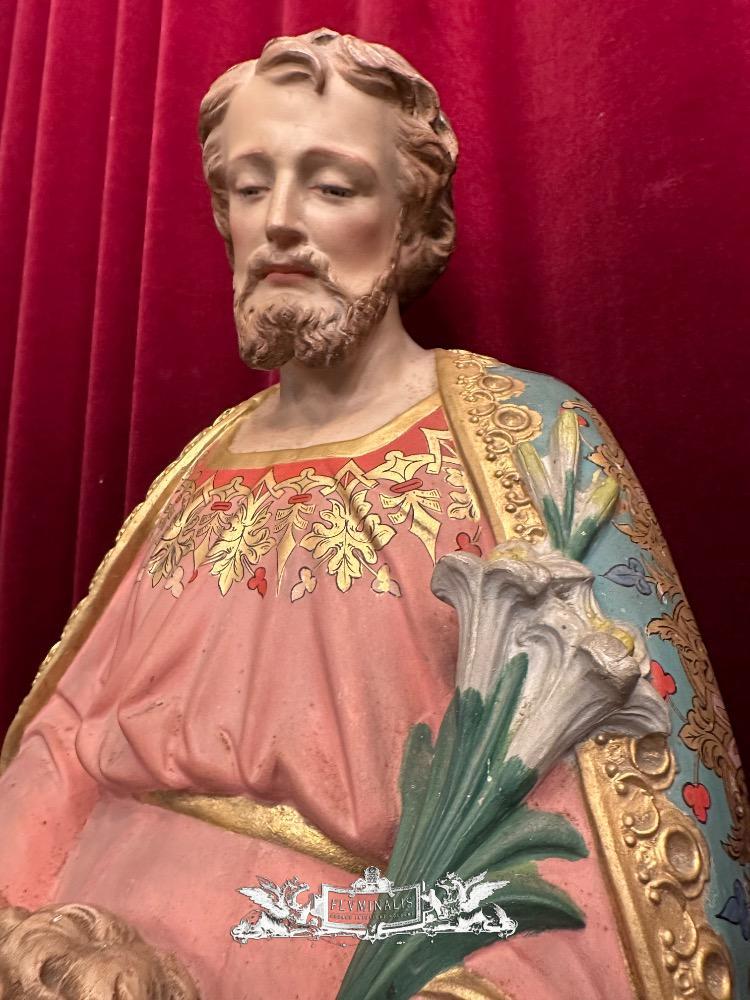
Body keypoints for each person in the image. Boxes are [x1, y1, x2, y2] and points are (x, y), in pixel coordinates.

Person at [0, 28, 745, 1000]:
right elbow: (64, 742)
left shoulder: (520, 439)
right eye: (249, 186)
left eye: (332, 186)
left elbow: (614, 824)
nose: (279, 222)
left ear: (413, 222)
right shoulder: (201, 466)